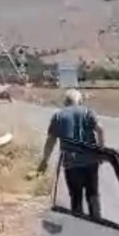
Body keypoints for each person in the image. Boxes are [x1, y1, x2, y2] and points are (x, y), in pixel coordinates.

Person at [37, 89, 105, 218]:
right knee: (93, 195)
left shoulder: (58, 116)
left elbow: (51, 140)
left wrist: (45, 160)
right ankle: (97, 222)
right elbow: (100, 130)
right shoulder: (87, 112)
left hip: (71, 164)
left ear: (66, 102)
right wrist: (100, 152)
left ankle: (77, 222)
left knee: (75, 196)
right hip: (90, 161)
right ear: (80, 101)